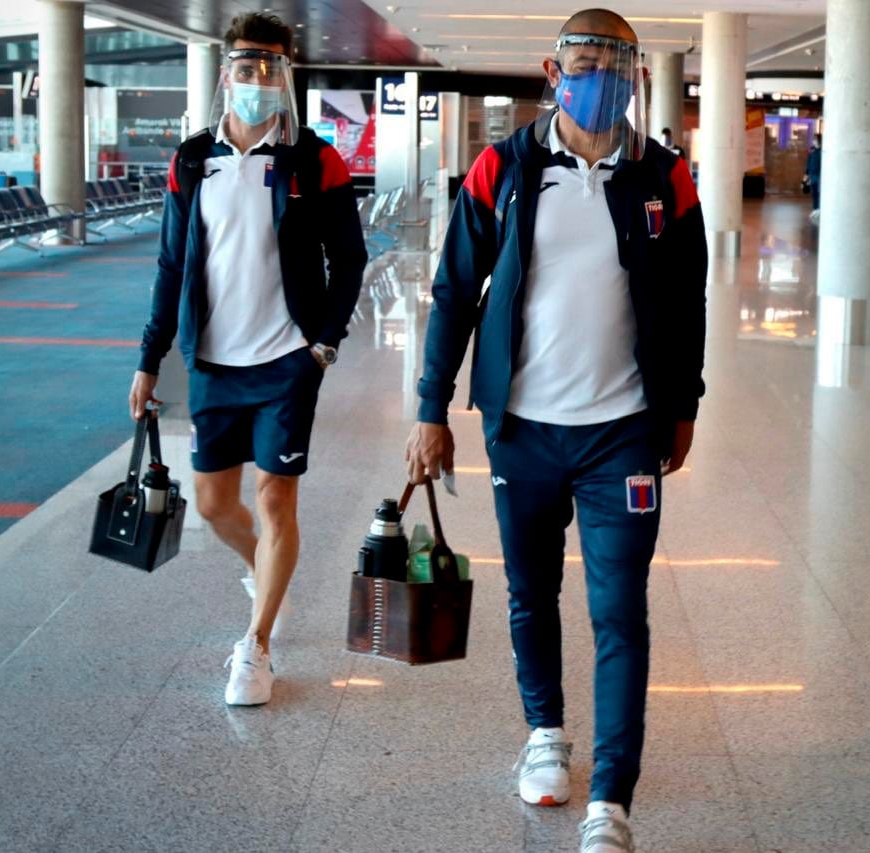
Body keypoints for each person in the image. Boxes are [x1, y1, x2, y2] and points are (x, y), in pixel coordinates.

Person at [405, 8, 707, 852]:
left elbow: (689, 302)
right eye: (586, 60)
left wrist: (683, 405)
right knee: (530, 593)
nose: (602, 76)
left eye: (619, 63)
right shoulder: (502, 166)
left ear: (638, 75)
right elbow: (455, 290)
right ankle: (546, 734)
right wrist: (432, 407)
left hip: (622, 432)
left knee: (620, 609)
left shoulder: (665, 177)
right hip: (523, 429)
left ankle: (612, 794)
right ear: (552, 67)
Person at [128, 12, 366, 706]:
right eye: (245, 66)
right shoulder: (191, 160)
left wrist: (323, 343)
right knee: (212, 503)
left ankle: (256, 646)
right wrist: (151, 358)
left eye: (270, 67)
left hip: (287, 362)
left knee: (274, 497)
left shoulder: (313, 161)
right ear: (226, 73)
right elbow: (172, 264)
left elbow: (348, 258)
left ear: (284, 76)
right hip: (213, 364)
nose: (257, 80)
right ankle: (266, 573)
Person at [805, 133, 822, 222]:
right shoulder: (812, 151)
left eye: (815, 139)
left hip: (819, 175)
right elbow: (809, 162)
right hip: (813, 175)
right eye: (813, 139)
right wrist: (806, 176)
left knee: (819, 193)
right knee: (814, 193)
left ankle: (819, 209)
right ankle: (815, 209)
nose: (814, 141)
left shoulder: (822, 151)